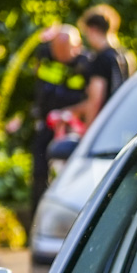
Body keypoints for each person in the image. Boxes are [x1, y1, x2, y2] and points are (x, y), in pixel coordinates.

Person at [28, 23, 90, 213]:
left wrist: (70, 114)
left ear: (77, 46)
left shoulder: (86, 64)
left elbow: (92, 100)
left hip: (73, 126)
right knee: (39, 169)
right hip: (47, 123)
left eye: (64, 49)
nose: (60, 54)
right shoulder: (44, 56)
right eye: (56, 48)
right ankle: (37, 213)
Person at [78, 4, 133, 123]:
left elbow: (95, 99)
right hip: (121, 120)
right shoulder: (124, 56)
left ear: (92, 29)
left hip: (104, 122)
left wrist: (90, 129)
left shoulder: (101, 59)